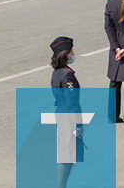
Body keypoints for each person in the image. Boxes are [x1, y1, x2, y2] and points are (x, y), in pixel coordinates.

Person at [49, 36, 82, 188]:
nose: (73, 54)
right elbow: (73, 102)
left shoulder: (57, 72)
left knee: (67, 152)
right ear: (65, 55)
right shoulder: (67, 75)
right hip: (68, 117)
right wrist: (78, 124)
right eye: (71, 52)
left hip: (60, 113)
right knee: (67, 154)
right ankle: (61, 185)